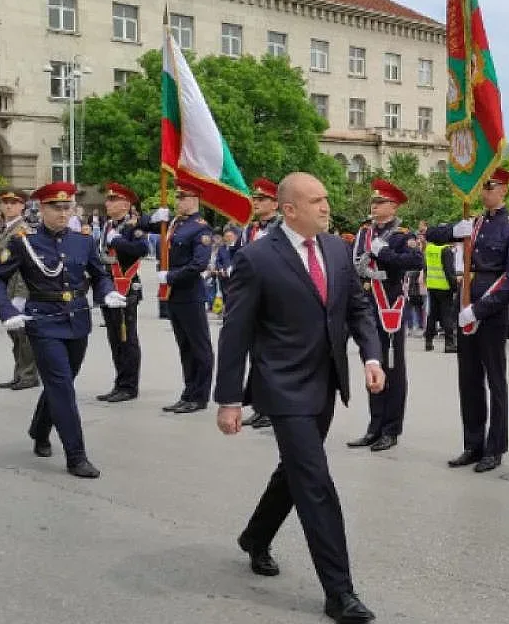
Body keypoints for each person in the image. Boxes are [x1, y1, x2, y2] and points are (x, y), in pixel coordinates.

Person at [214, 172, 384, 624]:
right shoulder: (257, 258)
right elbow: (235, 332)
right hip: (282, 387)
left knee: (294, 471)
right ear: (289, 210)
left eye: (326, 199)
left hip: (326, 383)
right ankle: (340, 593)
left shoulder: (335, 249)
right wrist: (229, 398)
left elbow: (356, 308)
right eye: (316, 201)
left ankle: (255, 535)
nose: (327, 207)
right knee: (315, 482)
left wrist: (371, 356)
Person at [0, 181, 126, 478]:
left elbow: (99, 275)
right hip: (43, 322)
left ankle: (39, 429)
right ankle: (76, 455)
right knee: (62, 385)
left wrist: (107, 293)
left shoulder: (83, 241)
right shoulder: (24, 241)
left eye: (67, 207)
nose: (63, 213)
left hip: (77, 320)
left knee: (61, 381)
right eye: (56, 207)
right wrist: (8, 310)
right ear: (42, 208)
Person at [426, 167, 509, 473]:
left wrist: (480, 310)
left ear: (504, 190)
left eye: (490, 186)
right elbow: (431, 234)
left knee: (495, 380)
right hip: (465, 301)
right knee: (468, 379)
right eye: (483, 185)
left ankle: (495, 447)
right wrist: (455, 231)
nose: (483, 191)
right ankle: (473, 443)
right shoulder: (474, 222)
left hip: (491, 311)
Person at [345, 178, 424, 452]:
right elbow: (354, 263)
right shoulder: (364, 232)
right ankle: (374, 426)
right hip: (367, 305)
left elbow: (415, 262)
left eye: (380, 202)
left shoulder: (403, 234)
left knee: (393, 367)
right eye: (373, 202)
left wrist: (386, 253)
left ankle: (391, 429)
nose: (374, 206)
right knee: (371, 363)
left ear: (393, 206)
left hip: (390, 306)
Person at [157, 176, 215, 414]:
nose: (177, 200)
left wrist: (170, 277)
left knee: (199, 347)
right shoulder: (175, 224)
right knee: (185, 347)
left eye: (182, 197)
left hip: (190, 294)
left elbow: (199, 264)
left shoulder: (200, 227)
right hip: (175, 296)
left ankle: (199, 396)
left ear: (194, 199)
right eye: (177, 196)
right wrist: (153, 218)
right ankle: (188, 392)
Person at [95, 182, 151, 403]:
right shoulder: (109, 225)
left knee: (127, 338)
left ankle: (129, 386)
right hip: (109, 287)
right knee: (114, 338)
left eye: (113, 200)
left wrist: (117, 241)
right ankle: (119, 382)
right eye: (107, 199)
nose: (107, 203)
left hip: (126, 287)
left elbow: (141, 249)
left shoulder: (131, 226)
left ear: (126, 204)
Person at [0, 189, 40, 390]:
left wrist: (20, 295)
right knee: (15, 336)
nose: (8, 206)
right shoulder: (4, 229)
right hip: (4, 289)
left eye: (14, 203)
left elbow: (24, 266)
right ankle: (19, 373)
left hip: (18, 290)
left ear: (22, 206)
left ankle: (28, 375)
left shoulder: (22, 230)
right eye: (6, 202)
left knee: (23, 336)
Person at [423, 237, 458, 353]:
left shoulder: (429, 248)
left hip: (432, 285)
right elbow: (449, 270)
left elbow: (426, 267)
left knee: (432, 315)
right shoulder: (446, 250)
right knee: (447, 315)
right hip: (444, 286)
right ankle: (449, 344)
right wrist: (454, 286)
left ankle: (428, 341)